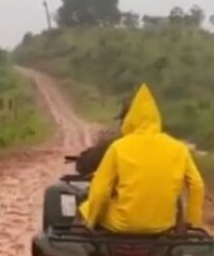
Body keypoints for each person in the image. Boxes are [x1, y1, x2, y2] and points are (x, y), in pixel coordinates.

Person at [78, 83, 205, 234]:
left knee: (86, 207)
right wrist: (192, 223)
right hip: (163, 225)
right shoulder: (179, 148)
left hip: (122, 223)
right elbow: (197, 185)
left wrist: (90, 221)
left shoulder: (117, 146)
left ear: (128, 119)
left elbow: (100, 191)